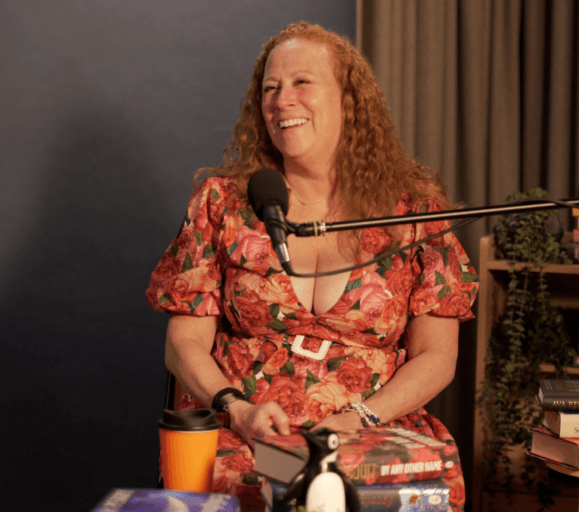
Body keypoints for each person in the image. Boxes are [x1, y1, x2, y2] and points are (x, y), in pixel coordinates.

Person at [146, 21, 479, 512]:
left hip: (371, 431)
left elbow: (437, 356)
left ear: (348, 99)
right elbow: (184, 344)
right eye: (271, 89)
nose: (282, 101)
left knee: (401, 489)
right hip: (246, 434)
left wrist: (360, 417)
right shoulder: (222, 203)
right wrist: (237, 409)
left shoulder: (414, 211)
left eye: (302, 83)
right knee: (294, 490)